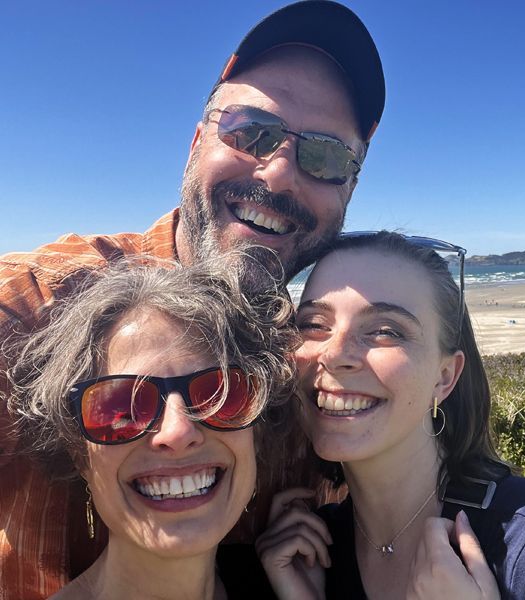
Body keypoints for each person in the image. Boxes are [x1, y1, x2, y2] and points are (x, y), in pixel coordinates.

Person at [0, 2, 385, 597]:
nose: (279, 175)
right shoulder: (37, 305)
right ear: (196, 141)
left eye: (327, 157)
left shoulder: (321, 367)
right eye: (251, 132)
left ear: (351, 187)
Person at [257, 232, 525, 599]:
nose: (335, 354)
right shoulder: (319, 549)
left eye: (386, 330)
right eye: (313, 324)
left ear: (445, 377)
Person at [5, 253, 298, 599]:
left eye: (219, 394)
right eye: (122, 406)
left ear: (256, 433)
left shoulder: (283, 580)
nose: (178, 432)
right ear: (79, 454)